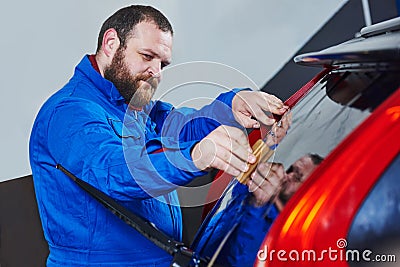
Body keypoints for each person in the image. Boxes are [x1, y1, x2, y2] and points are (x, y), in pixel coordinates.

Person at [29, 5, 289, 266]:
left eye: (162, 63)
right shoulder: (68, 113)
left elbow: (183, 128)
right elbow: (116, 170)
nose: (157, 73)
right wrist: (196, 155)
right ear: (110, 44)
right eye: (147, 56)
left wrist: (232, 106)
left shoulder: (134, 106)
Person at [195, 153, 323, 266]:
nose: (287, 175)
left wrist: (258, 206)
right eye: (291, 169)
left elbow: (241, 259)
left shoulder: (286, 238)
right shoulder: (254, 198)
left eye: (297, 177)